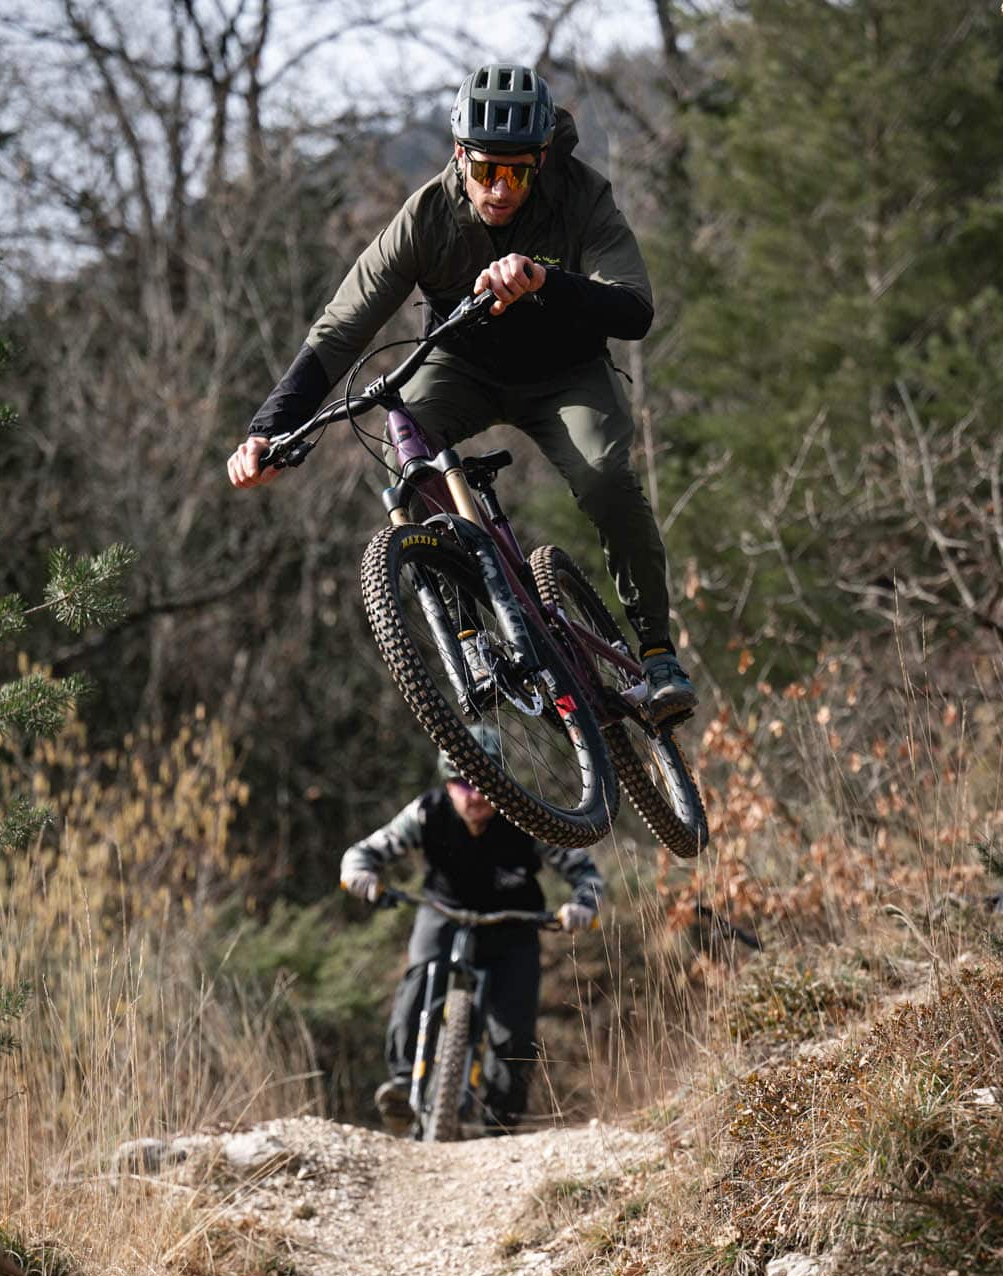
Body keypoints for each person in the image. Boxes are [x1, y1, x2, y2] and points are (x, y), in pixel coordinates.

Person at [225, 62, 694, 724]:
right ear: (458, 155)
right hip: (462, 365)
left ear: (540, 161)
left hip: (567, 372)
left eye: (517, 175)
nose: (499, 190)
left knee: (605, 476)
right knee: (405, 442)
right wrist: (268, 429)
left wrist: (545, 281)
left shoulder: (582, 195)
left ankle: (657, 653)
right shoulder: (427, 215)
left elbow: (634, 309)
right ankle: (470, 632)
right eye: (484, 170)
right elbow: (341, 328)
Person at [341, 725, 603, 1131]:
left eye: (484, 782)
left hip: (513, 925)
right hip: (442, 912)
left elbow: (585, 871)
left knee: (514, 1033)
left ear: (500, 782)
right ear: (447, 785)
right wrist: (360, 875)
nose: (475, 794)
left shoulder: (527, 816)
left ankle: (501, 1127)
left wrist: (582, 906)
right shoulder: (426, 812)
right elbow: (364, 852)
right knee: (418, 980)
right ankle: (404, 1084)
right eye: (463, 783)